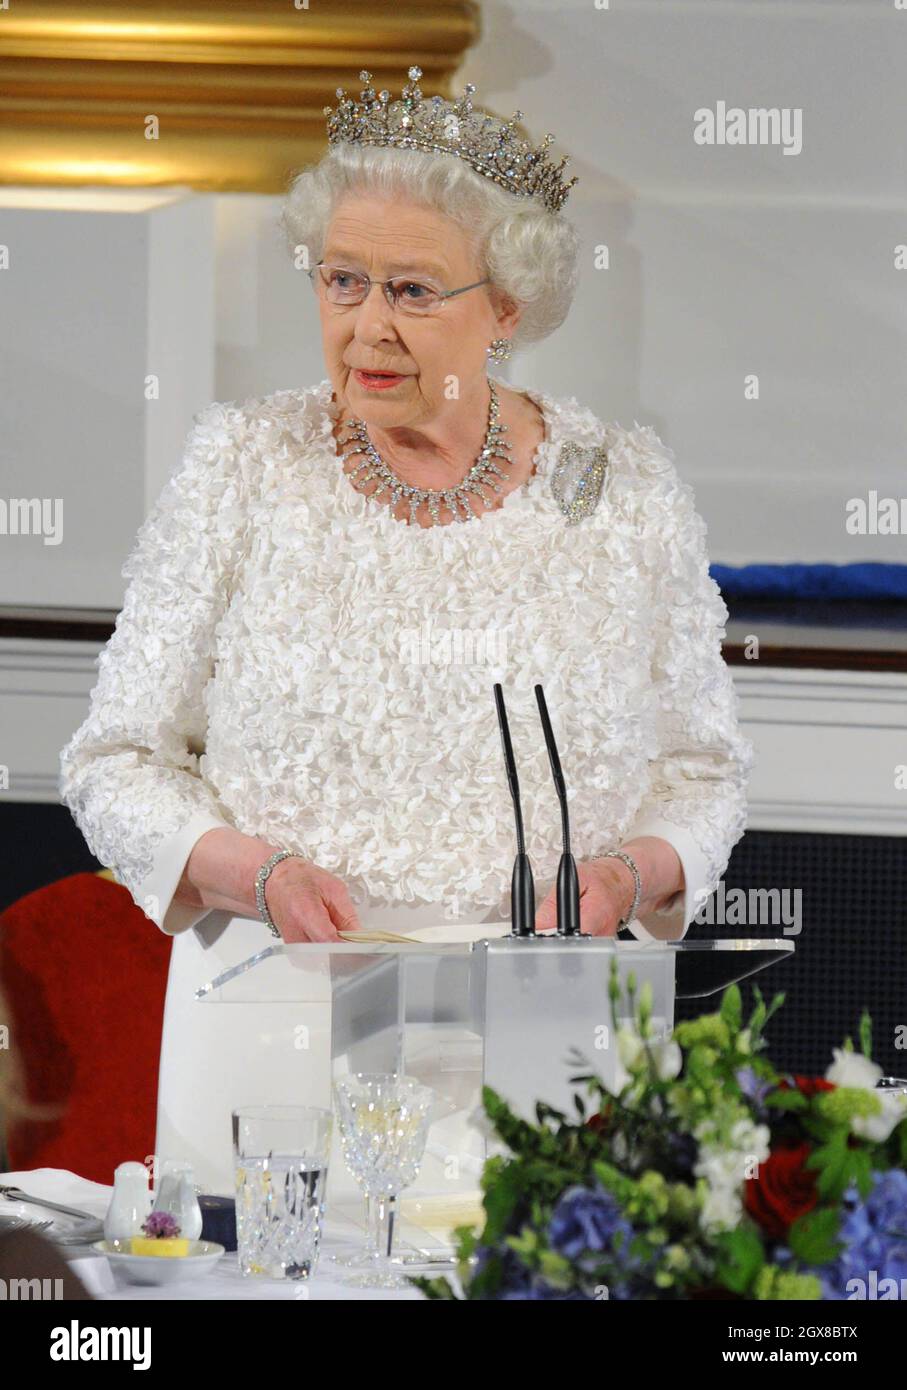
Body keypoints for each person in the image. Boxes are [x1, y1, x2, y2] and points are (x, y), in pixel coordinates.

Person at [59, 65, 753, 1190]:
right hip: (276, 1026)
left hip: (546, 1049)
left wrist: (628, 875)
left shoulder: (618, 487)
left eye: (413, 291)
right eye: (341, 281)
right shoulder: (243, 468)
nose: (365, 328)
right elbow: (114, 762)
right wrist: (254, 870)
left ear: (508, 308)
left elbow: (702, 772)